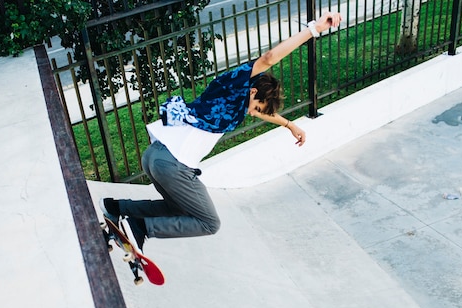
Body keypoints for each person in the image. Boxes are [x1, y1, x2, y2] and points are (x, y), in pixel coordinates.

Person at [101, 12, 342, 250]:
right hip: (173, 164)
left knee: (180, 209)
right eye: (256, 107)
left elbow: (263, 113)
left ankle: (117, 208)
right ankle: (139, 228)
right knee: (209, 222)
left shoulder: (237, 102)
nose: (253, 113)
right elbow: (269, 58)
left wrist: (290, 125)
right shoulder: (238, 83)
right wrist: (314, 29)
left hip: (154, 155)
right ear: (254, 93)